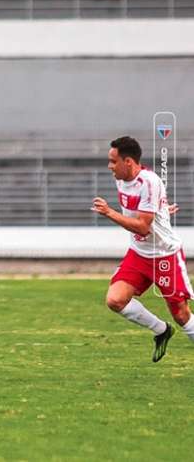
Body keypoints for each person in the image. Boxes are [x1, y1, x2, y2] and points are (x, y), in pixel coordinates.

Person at [91, 136, 193, 363]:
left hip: (164, 255)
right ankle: (161, 330)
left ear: (128, 161)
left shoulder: (149, 181)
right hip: (139, 253)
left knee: (181, 314)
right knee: (115, 300)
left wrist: (109, 213)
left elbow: (143, 227)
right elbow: (141, 211)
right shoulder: (121, 180)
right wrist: (162, 210)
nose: (109, 166)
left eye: (113, 161)